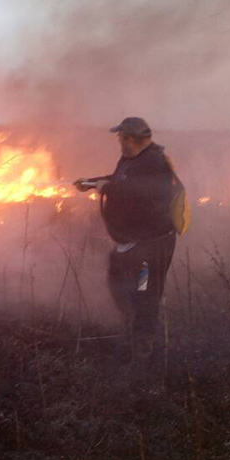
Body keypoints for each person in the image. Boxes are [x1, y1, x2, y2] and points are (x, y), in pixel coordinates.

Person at [75, 117, 180, 352]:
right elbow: (120, 179)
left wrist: (108, 189)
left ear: (130, 139)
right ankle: (133, 324)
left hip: (150, 248)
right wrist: (92, 183)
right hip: (132, 242)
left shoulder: (156, 163)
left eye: (120, 137)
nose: (118, 141)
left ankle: (144, 346)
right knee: (117, 278)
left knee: (145, 291)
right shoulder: (131, 159)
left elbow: (140, 192)